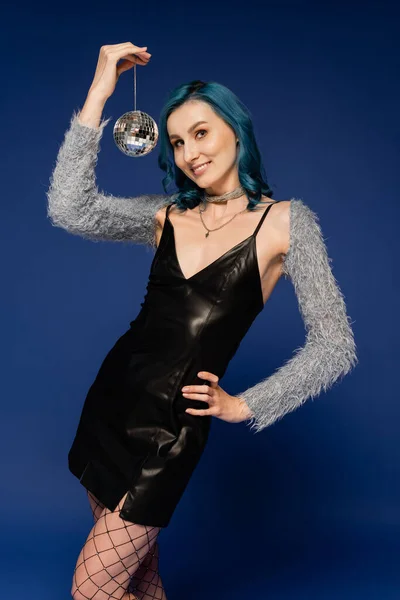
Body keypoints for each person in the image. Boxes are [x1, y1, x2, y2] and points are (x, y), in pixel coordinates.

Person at [46, 42, 358, 600]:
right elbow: (69, 207)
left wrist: (245, 406)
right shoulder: (166, 214)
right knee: (141, 580)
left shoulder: (288, 224)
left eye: (201, 132)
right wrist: (99, 91)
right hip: (112, 403)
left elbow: (335, 344)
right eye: (177, 141)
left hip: (169, 431)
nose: (189, 153)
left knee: (93, 590)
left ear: (235, 130)